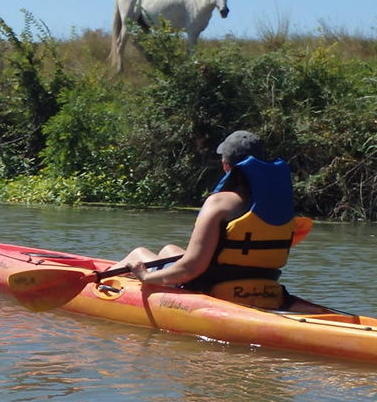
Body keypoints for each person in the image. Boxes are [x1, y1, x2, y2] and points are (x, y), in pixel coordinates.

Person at [110, 130, 302, 310]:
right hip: (266, 288)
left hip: (214, 288)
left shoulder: (219, 203)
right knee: (169, 250)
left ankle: (98, 285)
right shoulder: (278, 207)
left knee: (139, 253)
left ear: (226, 165)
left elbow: (191, 268)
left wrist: (145, 276)